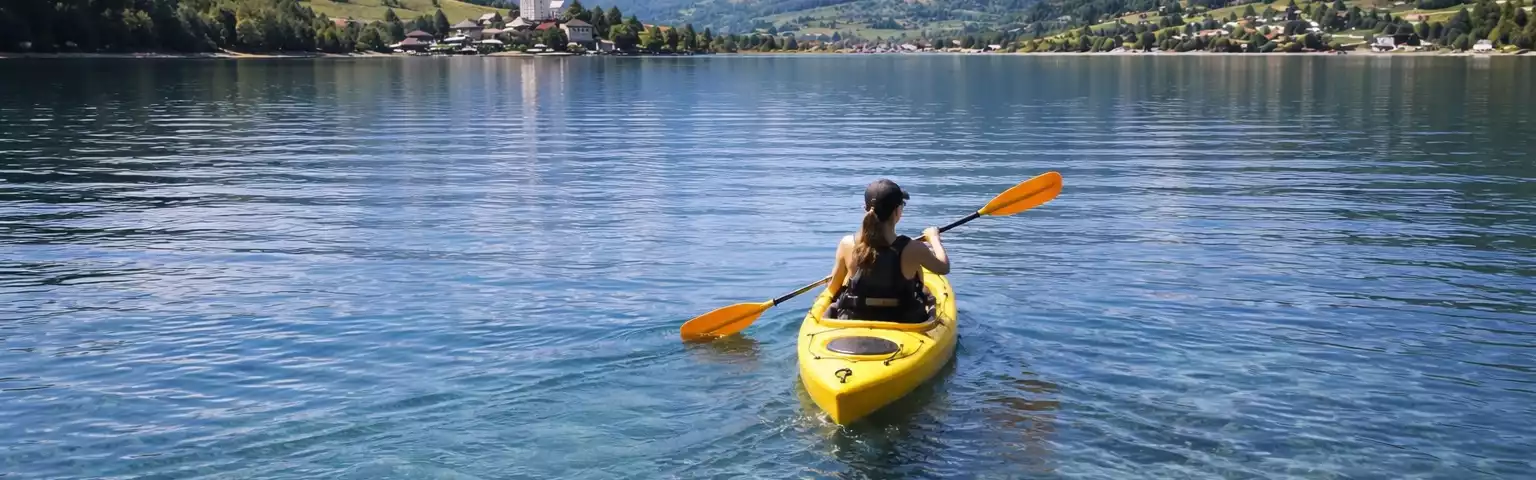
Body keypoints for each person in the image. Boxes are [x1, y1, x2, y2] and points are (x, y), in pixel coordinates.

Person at [827, 179, 950, 323]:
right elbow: (943, 267)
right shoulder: (914, 249)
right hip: (904, 322)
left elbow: (832, 288)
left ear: (865, 209)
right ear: (898, 211)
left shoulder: (847, 244)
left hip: (855, 319)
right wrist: (934, 238)